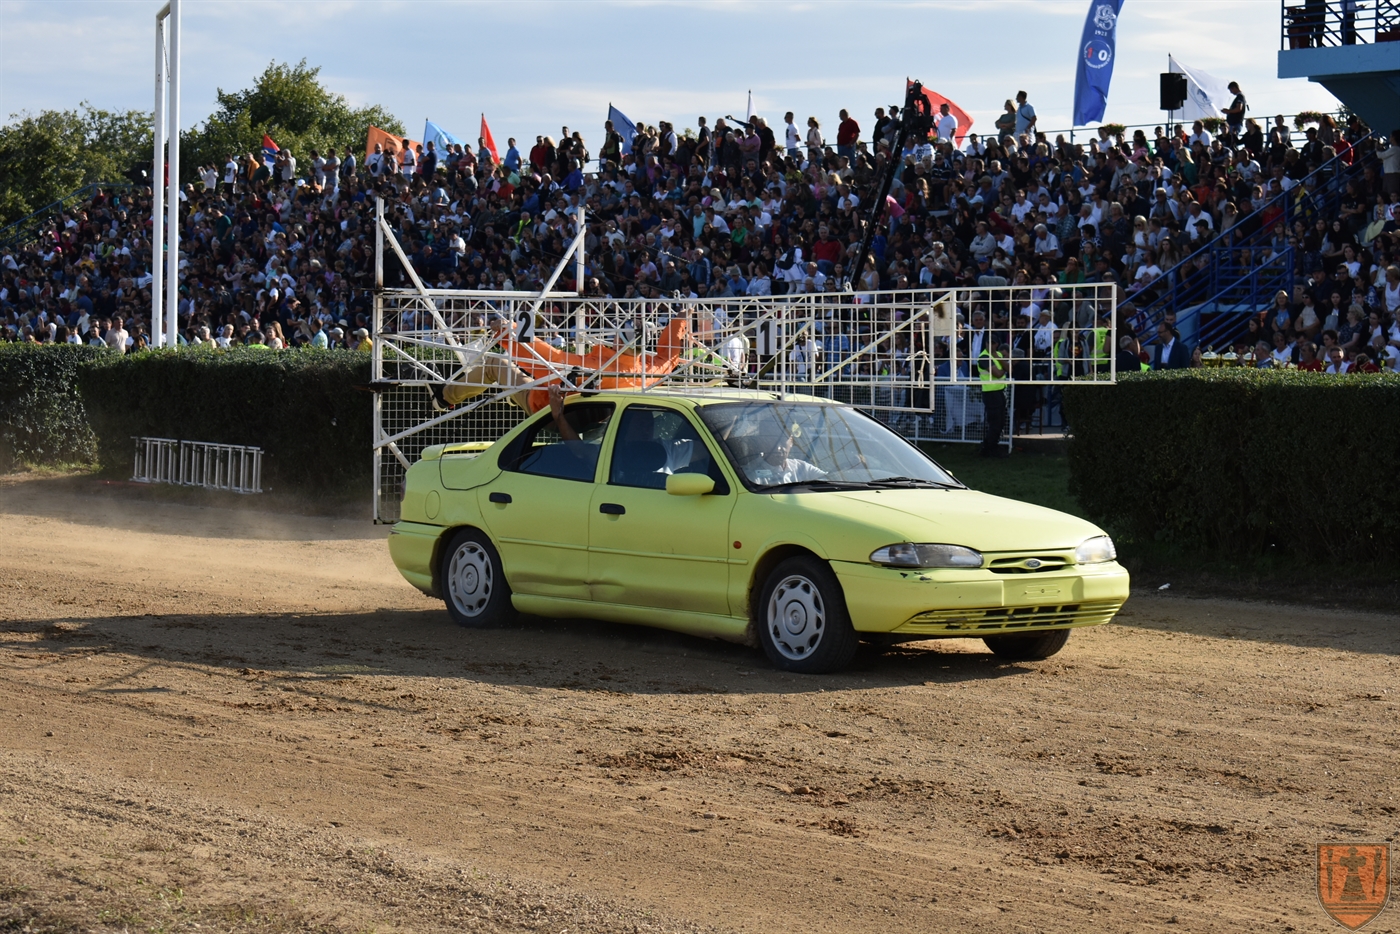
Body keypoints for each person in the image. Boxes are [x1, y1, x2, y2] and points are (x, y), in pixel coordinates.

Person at [978, 335, 1009, 457]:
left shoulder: (998, 355)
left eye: (993, 343)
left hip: (999, 392)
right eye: (988, 342)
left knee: (1000, 421)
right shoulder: (984, 357)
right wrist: (1003, 368)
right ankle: (990, 448)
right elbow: (998, 373)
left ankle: (990, 446)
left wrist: (1000, 361)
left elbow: (1009, 368)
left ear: (997, 345)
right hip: (990, 393)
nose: (990, 345)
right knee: (995, 423)